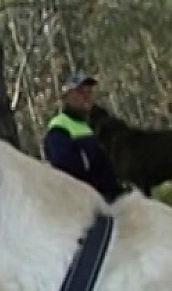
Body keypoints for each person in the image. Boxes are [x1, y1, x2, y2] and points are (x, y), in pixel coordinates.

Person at [43, 73, 125, 202]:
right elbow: (64, 166)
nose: (86, 97)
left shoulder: (90, 125)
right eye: (80, 92)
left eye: (89, 92)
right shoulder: (59, 126)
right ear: (67, 97)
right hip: (85, 203)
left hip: (108, 199)